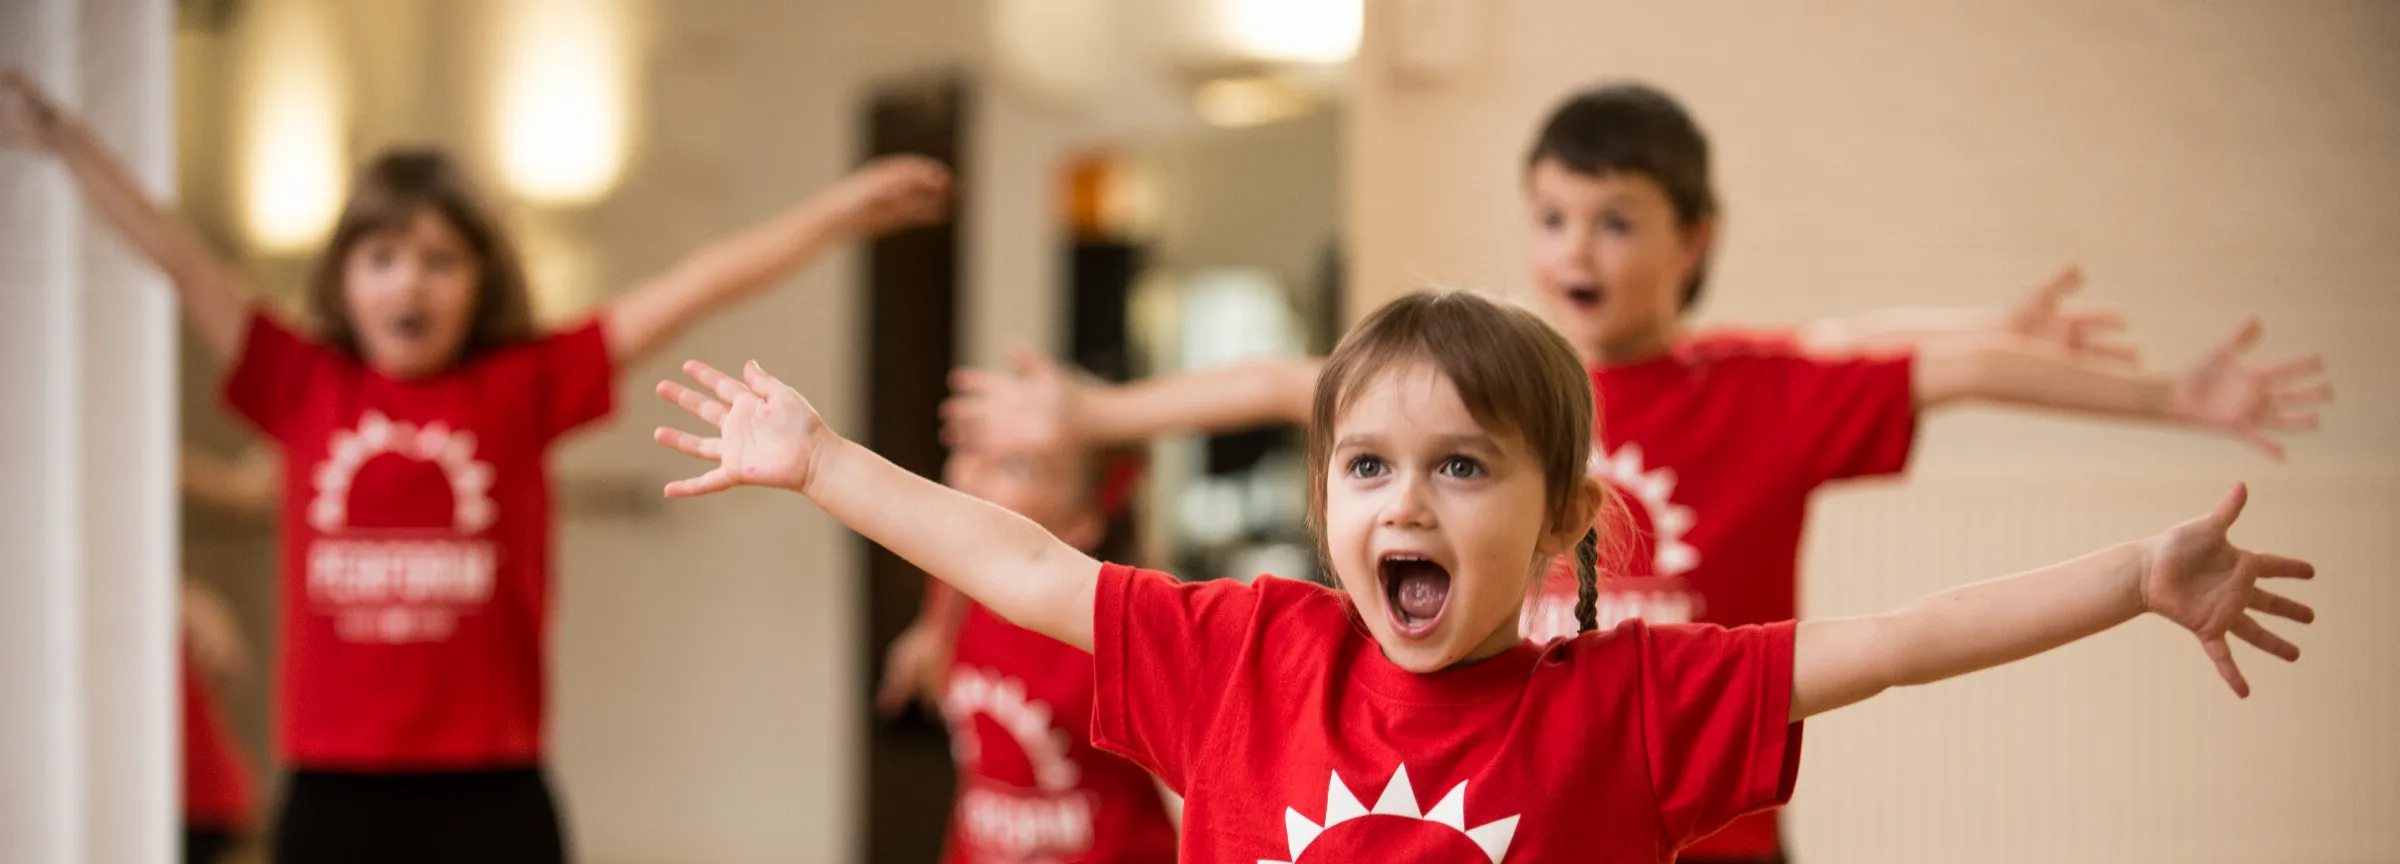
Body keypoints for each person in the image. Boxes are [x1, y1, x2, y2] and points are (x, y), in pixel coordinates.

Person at [650, 288, 2315, 863]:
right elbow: (1018, 556)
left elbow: (1892, 639)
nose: (1409, 502)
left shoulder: (1640, 698)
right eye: (1370, 466)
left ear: (1569, 518)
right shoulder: (1246, 653)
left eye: (1462, 465)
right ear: (1321, 501)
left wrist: (2133, 573)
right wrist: (821, 462)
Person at [4, 66, 950, 862]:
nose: (409, 281)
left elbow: (695, 285)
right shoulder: (300, 382)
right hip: (333, 792)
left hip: (491, 791)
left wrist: (838, 212)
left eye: (439, 259)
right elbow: (179, 254)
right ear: (344, 279)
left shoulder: (522, 385)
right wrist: (62, 137)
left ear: (479, 282)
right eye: (382, 256)